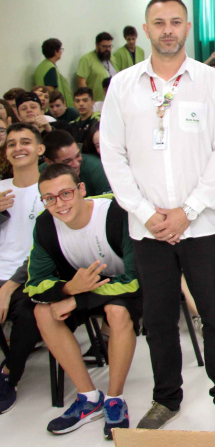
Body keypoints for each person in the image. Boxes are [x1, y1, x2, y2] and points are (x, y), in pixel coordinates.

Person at [100, 0, 215, 432]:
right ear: (146, 30)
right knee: (160, 319)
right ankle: (166, 398)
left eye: (176, 22)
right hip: (148, 231)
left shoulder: (211, 83)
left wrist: (188, 210)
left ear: (187, 28)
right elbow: (113, 155)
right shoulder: (122, 86)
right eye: (159, 23)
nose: (168, 30)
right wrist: (146, 213)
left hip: (201, 226)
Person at [26, 164, 140, 439]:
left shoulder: (115, 212)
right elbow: (34, 284)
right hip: (80, 290)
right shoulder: (44, 225)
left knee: (116, 311)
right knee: (44, 312)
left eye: (65, 194)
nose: (59, 204)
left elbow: (135, 279)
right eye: (49, 198)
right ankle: (89, 398)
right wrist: (67, 289)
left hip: (126, 290)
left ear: (81, 190)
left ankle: (114, 400)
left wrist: (77, 299)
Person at [0, 123, 46, 415]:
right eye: (12, 143)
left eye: (25, 142)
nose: (18, 148)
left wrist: (8, 286)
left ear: (40, 150)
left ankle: (8, 375)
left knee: (31, 314)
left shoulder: (51, 189)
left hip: (31, 276)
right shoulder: (1, 188)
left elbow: (49, 249)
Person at [42, 130, 111, 196]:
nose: (76, 164)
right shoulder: (40, 174)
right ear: (50, 162)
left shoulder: (96, 167)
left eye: (78, 155)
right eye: (67, 161)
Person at [77, 33, 117, 101]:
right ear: (97, 45)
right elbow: (82, 83)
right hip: (97, 101)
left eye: (109, 46)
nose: (107, 49)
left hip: (113, 99)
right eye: (104, 47)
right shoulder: (86, 59)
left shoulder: (112, 58)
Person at [34, 38, 74, 107]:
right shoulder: (50, 68)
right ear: (56, 52)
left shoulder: (42, 66)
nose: (61, 52)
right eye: (60, 50)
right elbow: (50, 91)